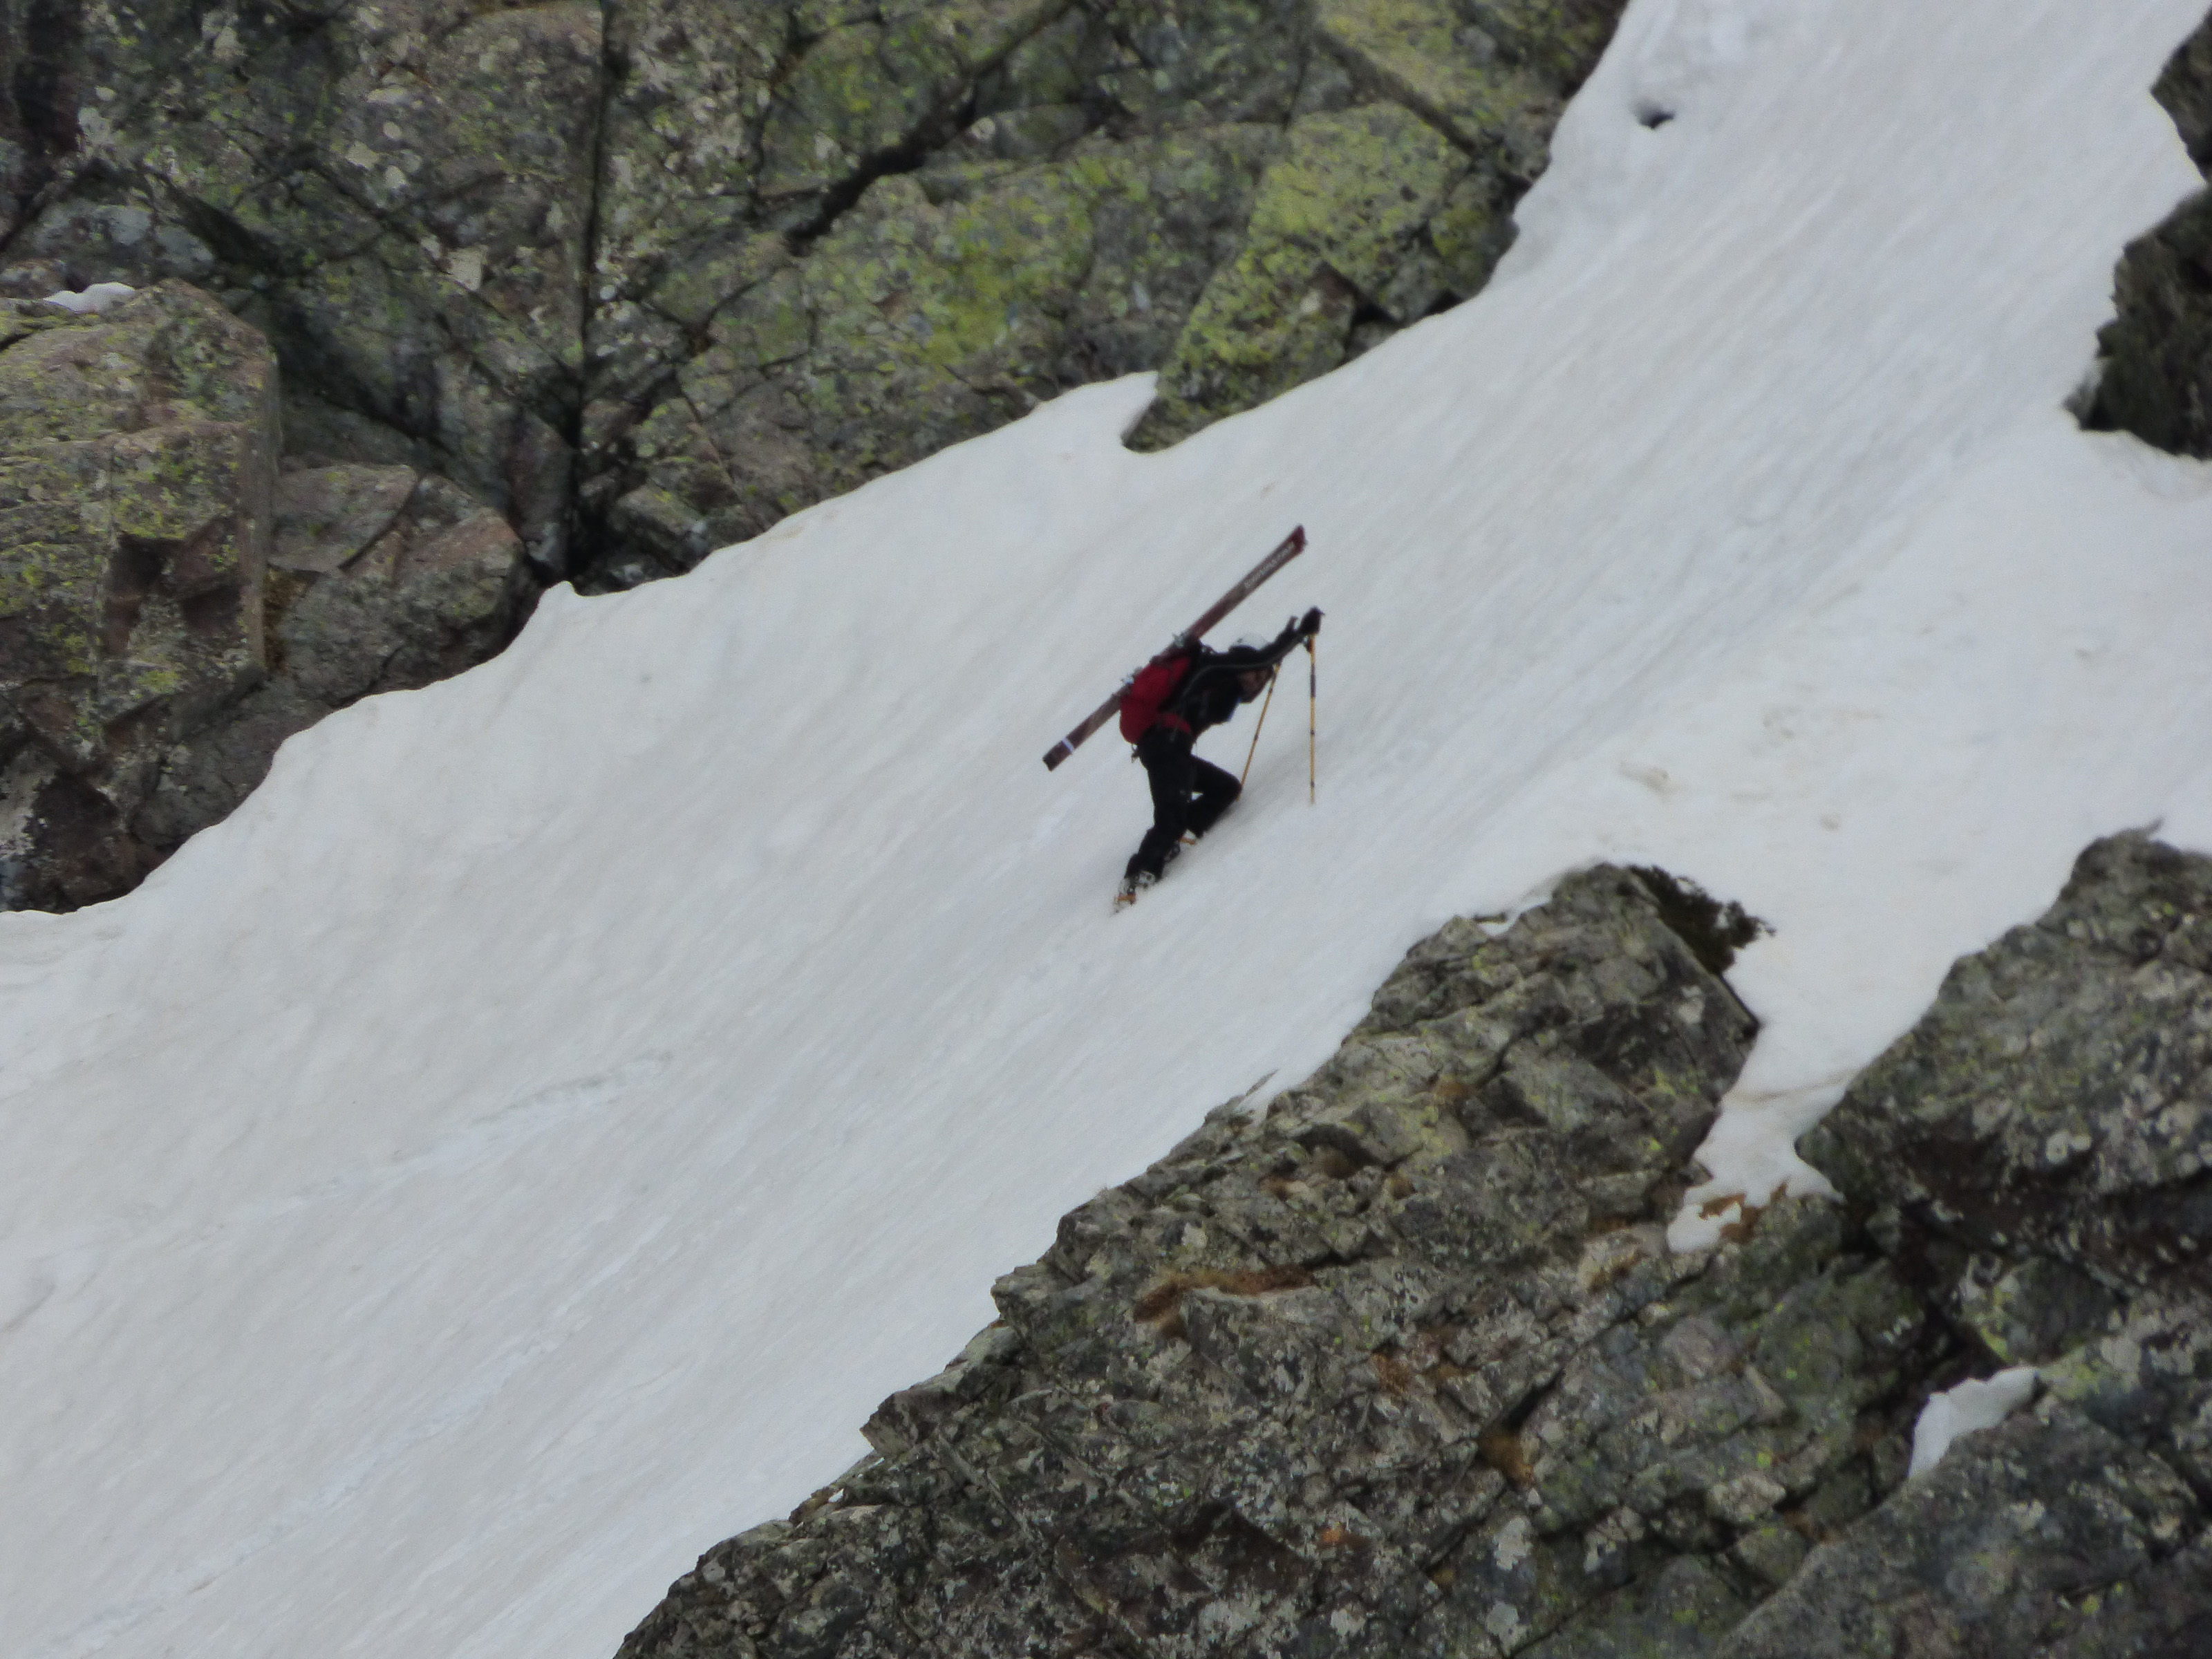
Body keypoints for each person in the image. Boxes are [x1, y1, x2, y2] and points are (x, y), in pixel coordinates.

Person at [1118, 608, 1322, 902]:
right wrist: (1296, 635)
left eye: (1264, 677)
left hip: (1171, 748)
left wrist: (1283, 649)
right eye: (1256, 672)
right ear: (1242, 658)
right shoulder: (1215, 667)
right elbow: (1260, 658)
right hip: (1166, 745)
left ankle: (1182, 833)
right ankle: (1137, 878)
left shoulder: (1227, 686)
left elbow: (1261, 666)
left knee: (1224, 787)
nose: (1259, 679)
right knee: (1169, 817)